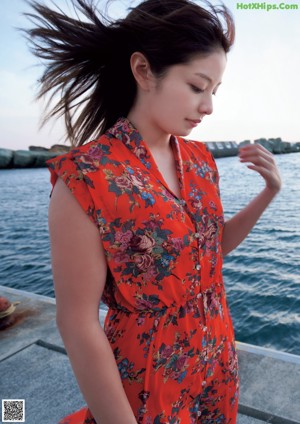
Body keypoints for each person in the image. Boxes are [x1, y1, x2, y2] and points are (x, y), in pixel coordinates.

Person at [25, 0, 281, 422]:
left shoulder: (200, 161)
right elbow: (77, 322)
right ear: (143, 71)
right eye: (198, 86)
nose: (208, 106)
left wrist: (269, 192)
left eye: (214, 91)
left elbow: (209, 254)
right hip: (146, 379)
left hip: (216, 359)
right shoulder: (88, 177)